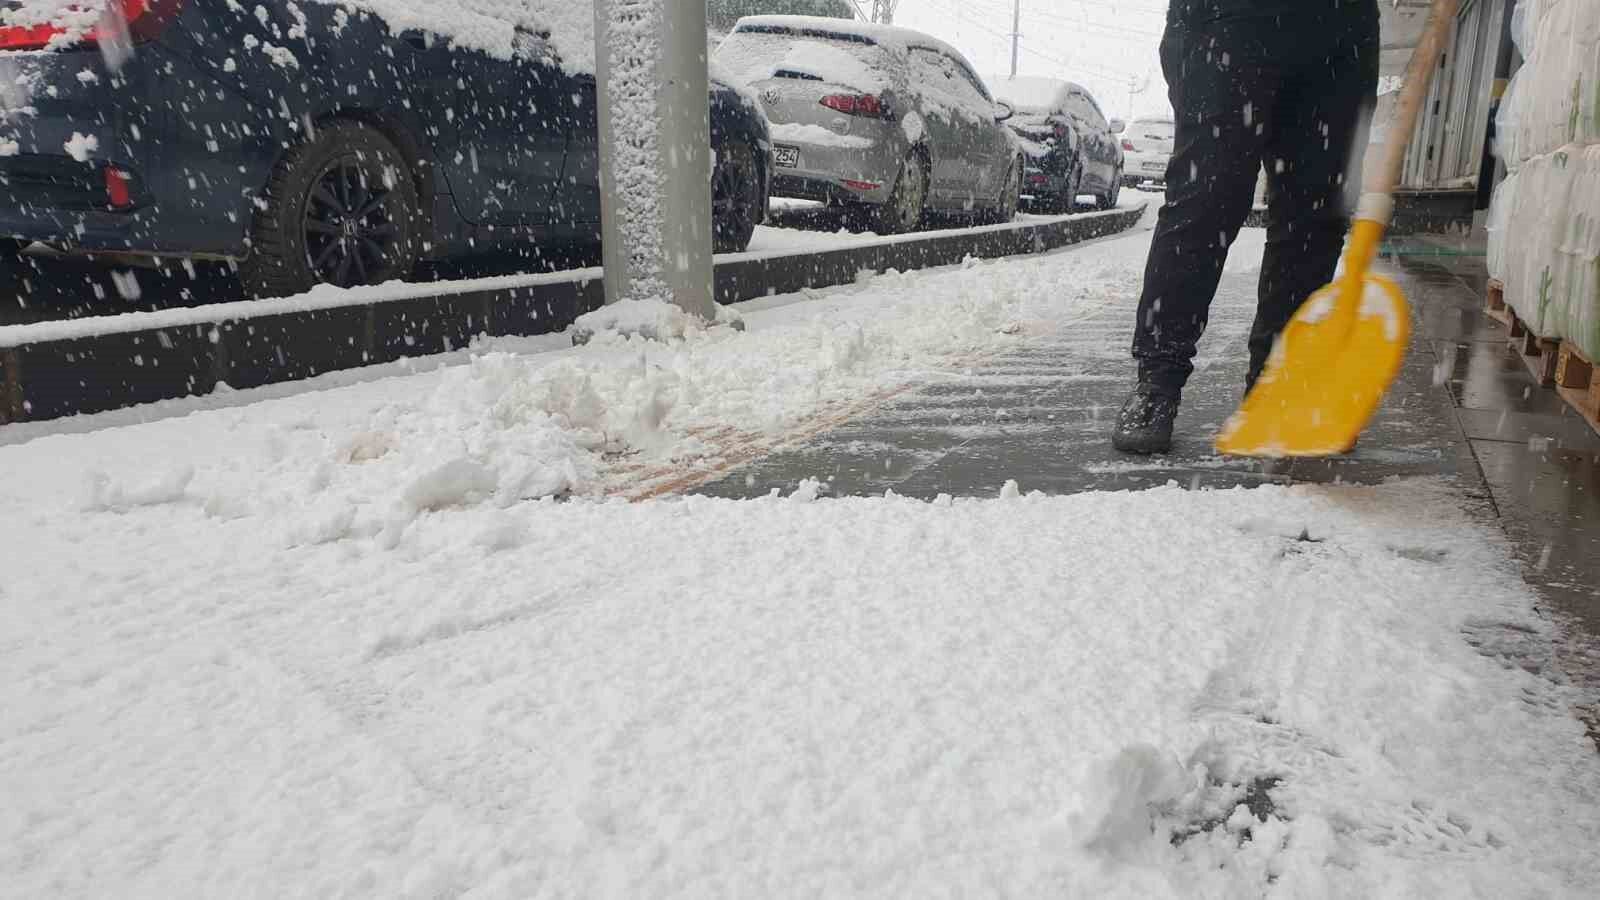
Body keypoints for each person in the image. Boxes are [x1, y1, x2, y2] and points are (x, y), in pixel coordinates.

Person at [1112, 0, 1381, 454]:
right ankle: (1157, 381)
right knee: (1205, 201)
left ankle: (1277, 387)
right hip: (1227, 17)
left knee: (1316, 213)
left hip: (1342, 28)